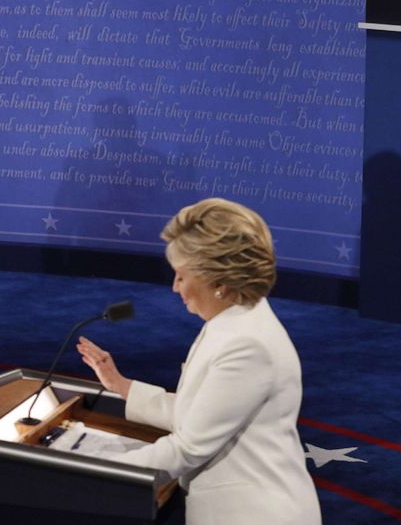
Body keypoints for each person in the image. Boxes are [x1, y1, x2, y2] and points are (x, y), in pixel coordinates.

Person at [77, 198, 321, 524]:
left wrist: (89, 469)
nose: (174, 287)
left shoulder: (247, 344)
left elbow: (189, 447)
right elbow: (201, 413)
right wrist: (122, 386)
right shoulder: (231, 322)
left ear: (219, 282)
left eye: (181, 275)